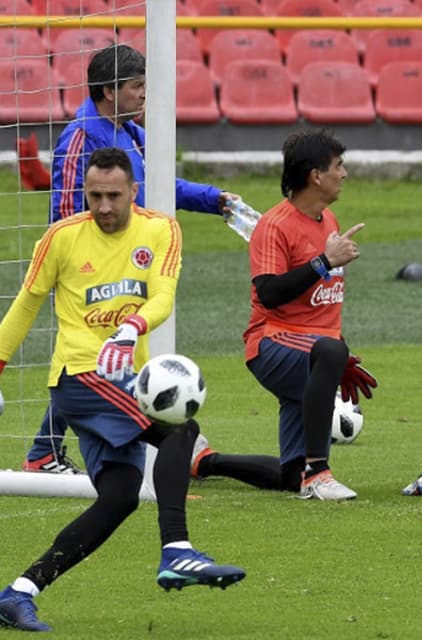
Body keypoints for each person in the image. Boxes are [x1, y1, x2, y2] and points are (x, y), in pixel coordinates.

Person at [0, 148, 245, 632]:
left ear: (134, 191)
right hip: (79, 374)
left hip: (125, 377)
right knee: (180, 430)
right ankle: (177, 550)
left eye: (114, 195)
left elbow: (162, 297)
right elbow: (24, 307)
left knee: (120, 498)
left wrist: (132, 327)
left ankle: (18, 592)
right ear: (84, 193)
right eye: (95, 196)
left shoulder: (160, 230)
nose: (105, 206)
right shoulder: (62, 238)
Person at [23, 43, 245, 474]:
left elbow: (162, 184)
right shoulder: (80, 139)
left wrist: (212, 199)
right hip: (84, 276)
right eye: (137, 86)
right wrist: (76, 270)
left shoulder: (130, 133)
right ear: (109, 90)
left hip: (128, 268)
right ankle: (52, 452)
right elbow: (62, 216)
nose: (145, 94)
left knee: (109, 359)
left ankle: (52, 451)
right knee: (87, 364)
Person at [243, 129, 378, 501]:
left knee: (290, 474)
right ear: (315, 176)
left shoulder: (328, 220)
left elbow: (322, 312)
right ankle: (319, 474)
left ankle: (203, 461)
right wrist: (323, 262)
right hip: (270, 343)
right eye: (338, 166)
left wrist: (339, 355)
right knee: (331, 350)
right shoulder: (274, 225)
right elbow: (269, 294)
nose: (345, 173)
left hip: (309, 346)